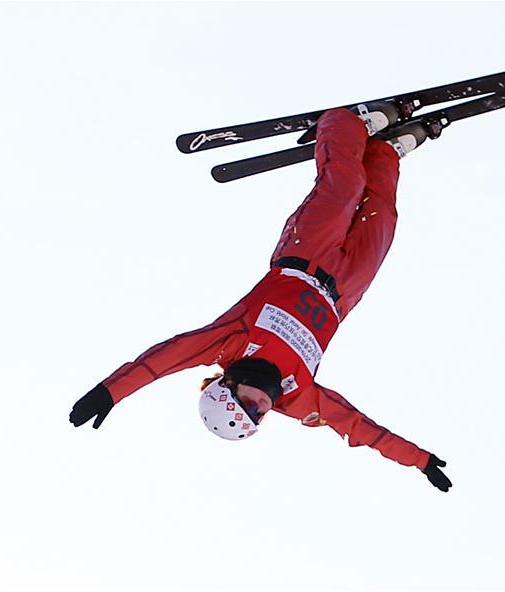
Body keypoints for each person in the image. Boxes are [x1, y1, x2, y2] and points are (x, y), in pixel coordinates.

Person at [69, 105, 452, 492]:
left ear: (228, 386)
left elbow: (159, 361)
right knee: (381, 217)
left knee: (344, 188)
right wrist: (418, 460)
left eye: (249, 406)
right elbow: (357, 428)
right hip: (344, 288)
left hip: (305, 256)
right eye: (259, 418)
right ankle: (384, 151)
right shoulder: (299, 397)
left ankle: (346, 123)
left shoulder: (228, 344)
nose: (263, 407)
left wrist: (109, 392)